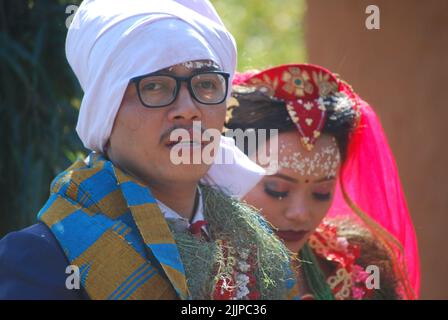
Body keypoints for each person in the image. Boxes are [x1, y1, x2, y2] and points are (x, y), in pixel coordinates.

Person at [0, 0, 298, 300]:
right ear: (106, 109)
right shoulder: (42, 260)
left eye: (206, 83)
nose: (188, 109)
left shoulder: (255, 243)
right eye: (155, 86)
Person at [225, 63, 420, 299]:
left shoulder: (359, 267)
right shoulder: (192, 269)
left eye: (322, 192)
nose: (300, 213)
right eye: (277, 190)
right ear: (228, 170)